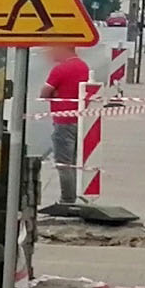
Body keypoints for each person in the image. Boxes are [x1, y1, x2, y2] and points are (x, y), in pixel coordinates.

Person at [39, 46, 92, 205]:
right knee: (74, 161)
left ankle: (67, 200)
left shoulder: (60, 69)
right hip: (79, 119)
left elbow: (44, 93)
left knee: (63, 163)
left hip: (63, 121)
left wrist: (56, 94)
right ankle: (74, 195)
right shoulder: (83, 66)